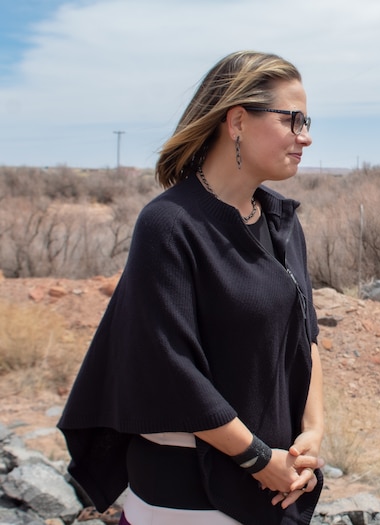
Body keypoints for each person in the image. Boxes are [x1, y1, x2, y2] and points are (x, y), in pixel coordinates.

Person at [58, 50, 324, 525]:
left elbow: (307, 338)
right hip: (189, 497)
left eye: (308, 121)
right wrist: (260, 460)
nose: (306, 136)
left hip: (278, 483)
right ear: (237, 120)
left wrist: (312, 434)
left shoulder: (281, 222)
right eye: (293, 119)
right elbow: (170, 373)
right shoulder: (170, 223)